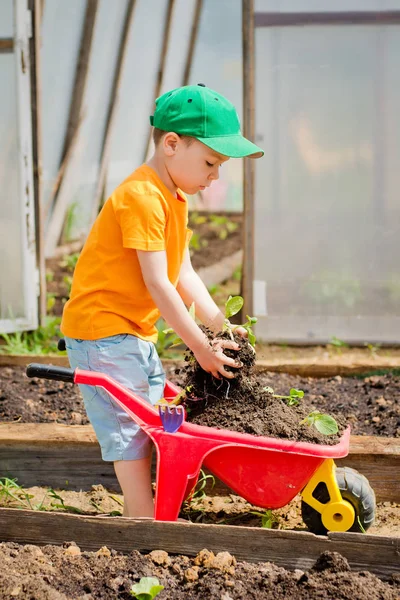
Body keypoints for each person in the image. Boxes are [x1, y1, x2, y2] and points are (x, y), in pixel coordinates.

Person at [61, 83, 264, 518]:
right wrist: (201, 348)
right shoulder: (141, 197)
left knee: (157, 420)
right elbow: (158, 283)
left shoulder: (174, 197)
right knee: (132, 433)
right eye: (211, 162)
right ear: (172, 144)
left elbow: (183, 272)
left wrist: (218, 326)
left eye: (220, 166)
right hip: (103, 330)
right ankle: (141, 519)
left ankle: (159, 508)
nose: (215, 175)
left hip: (130, 333)